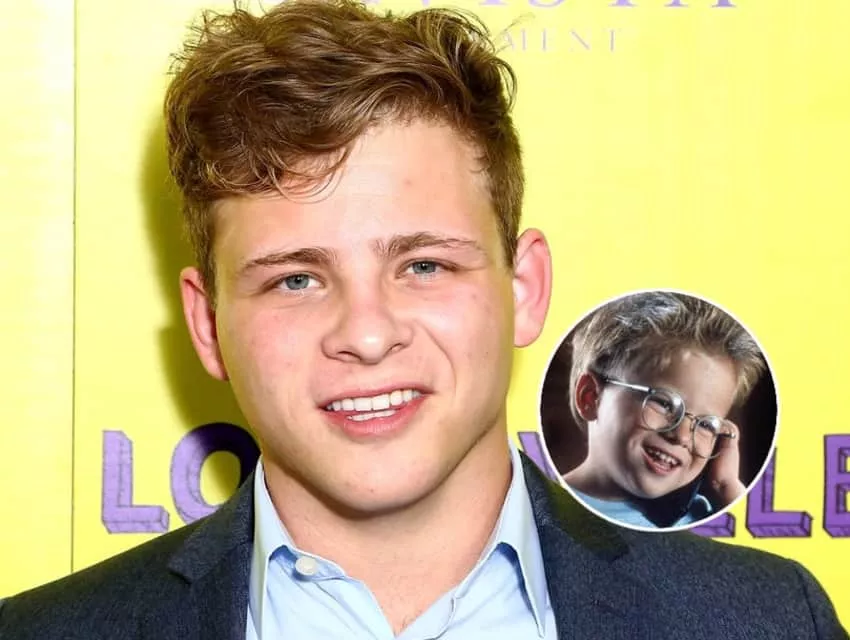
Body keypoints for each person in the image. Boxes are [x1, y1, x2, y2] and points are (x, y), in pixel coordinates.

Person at [0, 1, 846, 638]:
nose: (367, 334)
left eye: (424, 265)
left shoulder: (765, 621)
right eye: (296, 280)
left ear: (524, 287)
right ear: (208, 324)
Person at [562, 291, 768, 529]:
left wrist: (726, 487)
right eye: (664, 403)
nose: (682, 436)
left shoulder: (705, 515)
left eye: (705, 424)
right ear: (590, 397)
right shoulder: (547, 506)